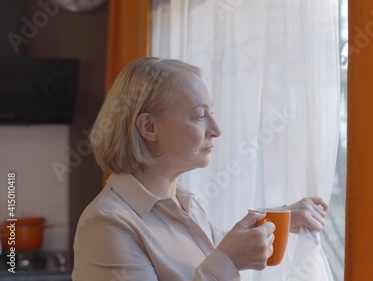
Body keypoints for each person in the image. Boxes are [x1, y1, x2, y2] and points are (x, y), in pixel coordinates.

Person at [72, 58, 329, 281]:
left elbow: (206, 254)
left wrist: (280, 218)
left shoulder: (183, 203)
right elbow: (219, 260)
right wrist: (228, 262)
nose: (216, 129)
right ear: (149, 127)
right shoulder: (106, 224)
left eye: (211, 113)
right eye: (199, 116)